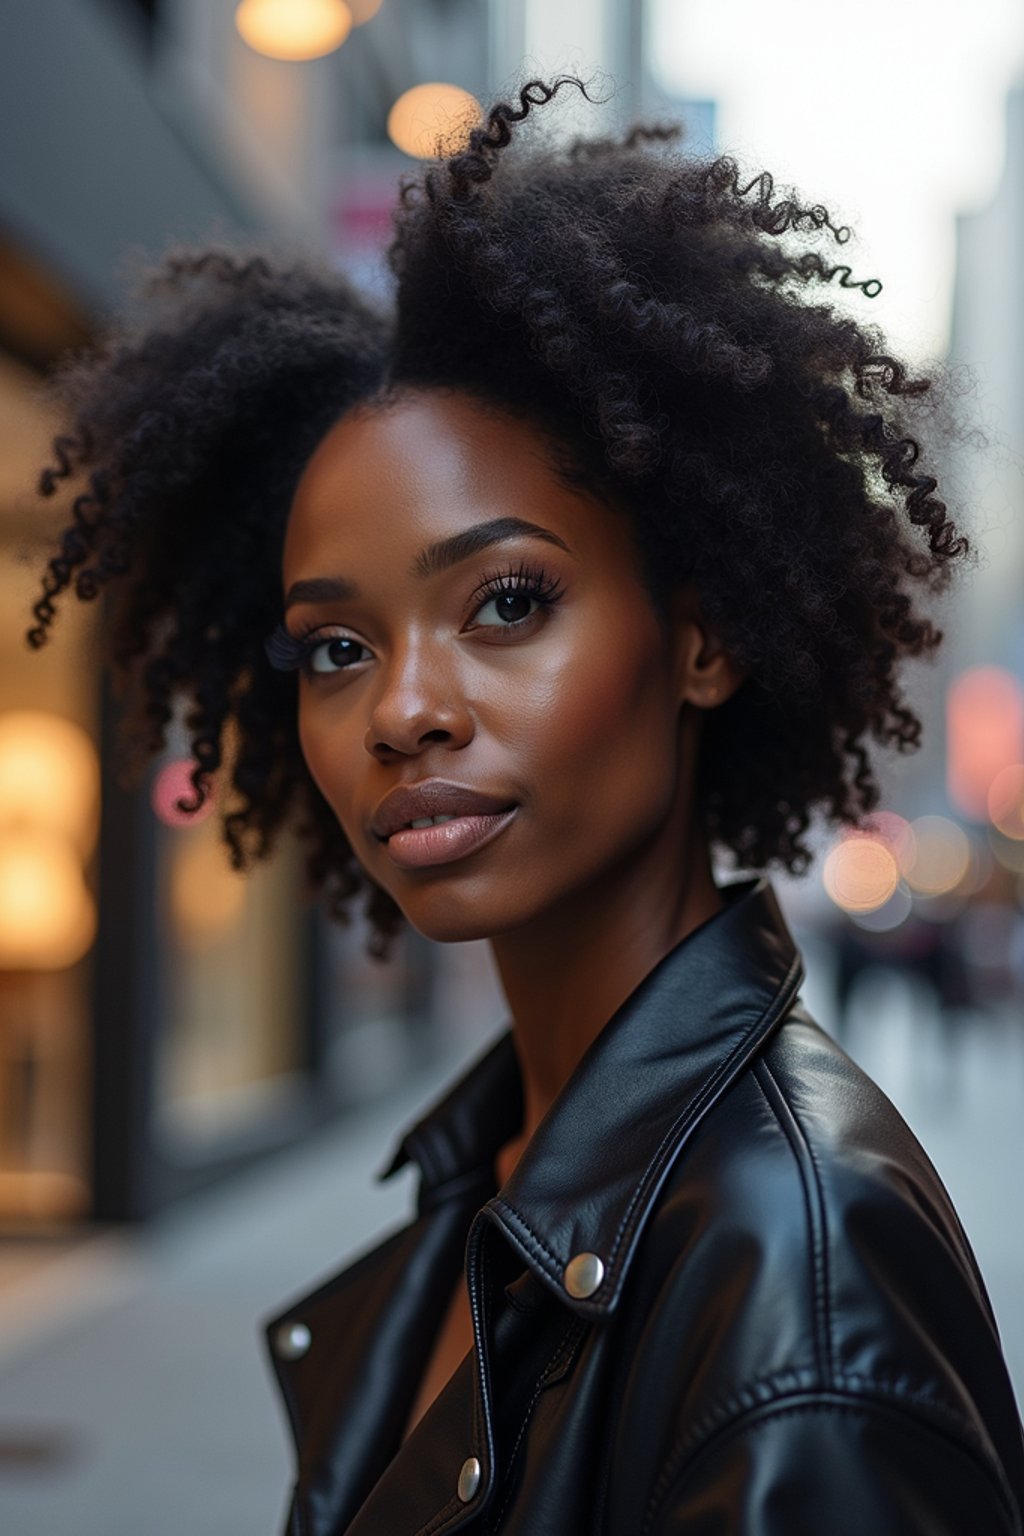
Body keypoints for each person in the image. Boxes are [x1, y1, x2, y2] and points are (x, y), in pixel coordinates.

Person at [27, 78, 1024, 1536]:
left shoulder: (802, 1288)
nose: (402, 709)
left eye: (505, 601)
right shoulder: (499, 1169)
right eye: (336, 646)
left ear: (701, 635)